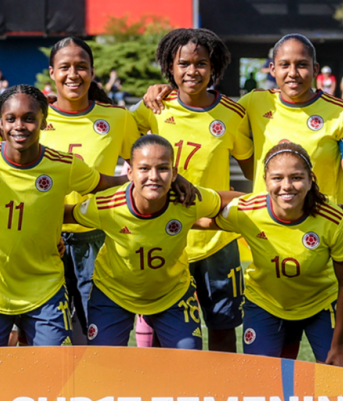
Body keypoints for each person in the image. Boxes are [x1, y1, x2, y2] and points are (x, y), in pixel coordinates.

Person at [0, 85, 196, 348]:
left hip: (45, 291)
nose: (19, 126)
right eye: (11, 118)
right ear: (1, 122)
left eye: (30, 118)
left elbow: (107, 182)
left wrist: (161, 178)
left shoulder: (64, 165)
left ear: (44, 122)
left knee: (54, 374)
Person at [143, 34, 343, 233]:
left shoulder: (341, 112)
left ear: (315, 69)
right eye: (284, 65)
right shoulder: (255, 101)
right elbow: (206, 109)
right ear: (273, 69)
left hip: (321, 223)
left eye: (301, 65)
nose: (293, 73)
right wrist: (169, 89)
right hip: (268, 225)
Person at [131, 28, 254, 353]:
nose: (192, 71)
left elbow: (252, 170)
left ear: (213, 67)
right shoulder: (151, 108)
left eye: (201, 63)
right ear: (170, 67)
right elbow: (119, 143)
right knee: (162, 328)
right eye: (183, 63)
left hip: (216, 239)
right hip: (165, 237)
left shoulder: (232, 113)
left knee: (223, 326)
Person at [64, 134, 238, 348]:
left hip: (172, 294)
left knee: (188, 363)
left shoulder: (188, 200)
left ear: (175, 174)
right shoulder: (106, 204)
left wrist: (271, 204)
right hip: (113, 294)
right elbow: (65, 215)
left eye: (163, 168)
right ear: (130, 173)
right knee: (102, 365)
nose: (153, 176)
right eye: (144, 168)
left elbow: (235, 200)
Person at [197, 142, 343, 367]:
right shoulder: (247, 210)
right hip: (266, 303)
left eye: (296, 177)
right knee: (260, 377)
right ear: (265, 181)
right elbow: (201, 218)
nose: (287, 186)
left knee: (339, 374)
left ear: (311, 180)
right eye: (277, 178)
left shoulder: (334, 219)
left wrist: (339, 344)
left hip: (320, 303)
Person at [39, 36, 142, 344]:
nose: (73, 74)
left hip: (98, 239)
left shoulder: (117, 117)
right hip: (44, 238)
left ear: (93, 72)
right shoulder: (34, 117)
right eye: (65, 67)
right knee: (45, 339)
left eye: (81, 67)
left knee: (95, 339)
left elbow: (142, 165)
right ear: (52, 73)